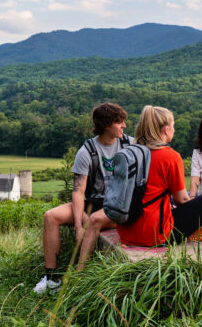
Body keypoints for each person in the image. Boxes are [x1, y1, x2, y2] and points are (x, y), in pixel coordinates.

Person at [33, 102, 132, 294]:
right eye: (120, 122)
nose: (124, 126)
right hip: (93, 203)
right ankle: (52, 279)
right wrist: (79, 225)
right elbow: (78, 191)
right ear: (106, 124)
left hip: (118, 205)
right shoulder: (86, 151)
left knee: (93, 221)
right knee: (50, 216)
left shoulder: (131, 144)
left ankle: (79, 278)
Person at [117, 105, 202, 247]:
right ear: (166, 129)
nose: (174, 130)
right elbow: (181, 199)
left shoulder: (129, 152)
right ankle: (186, 232)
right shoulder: (169, 156)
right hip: (154, 234)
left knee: (167, 198)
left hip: (126, 232)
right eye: (173, 126)